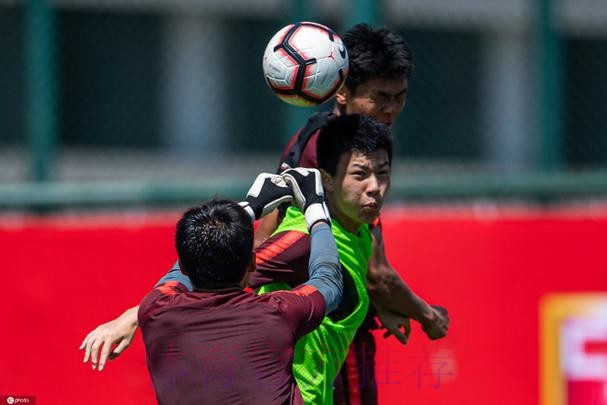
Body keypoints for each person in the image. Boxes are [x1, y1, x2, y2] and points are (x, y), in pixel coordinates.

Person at [80, 23, 449, 404]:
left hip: (333, 322)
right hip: (320, 335)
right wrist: (136, 315)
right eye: (380, 97)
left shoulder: (344, 149)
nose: (391, 109)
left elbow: (363, 270)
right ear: (340, 88)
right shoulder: (315, 181)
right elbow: (256, 255)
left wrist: (374, 303)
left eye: (400, 97)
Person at [139, 169, 342, 405]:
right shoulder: (279, 313)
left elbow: (182, 266)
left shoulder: (155, 310)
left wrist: (248, 208)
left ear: (184, 265)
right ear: (253, 263)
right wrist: (316, 210)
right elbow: (328, 281)